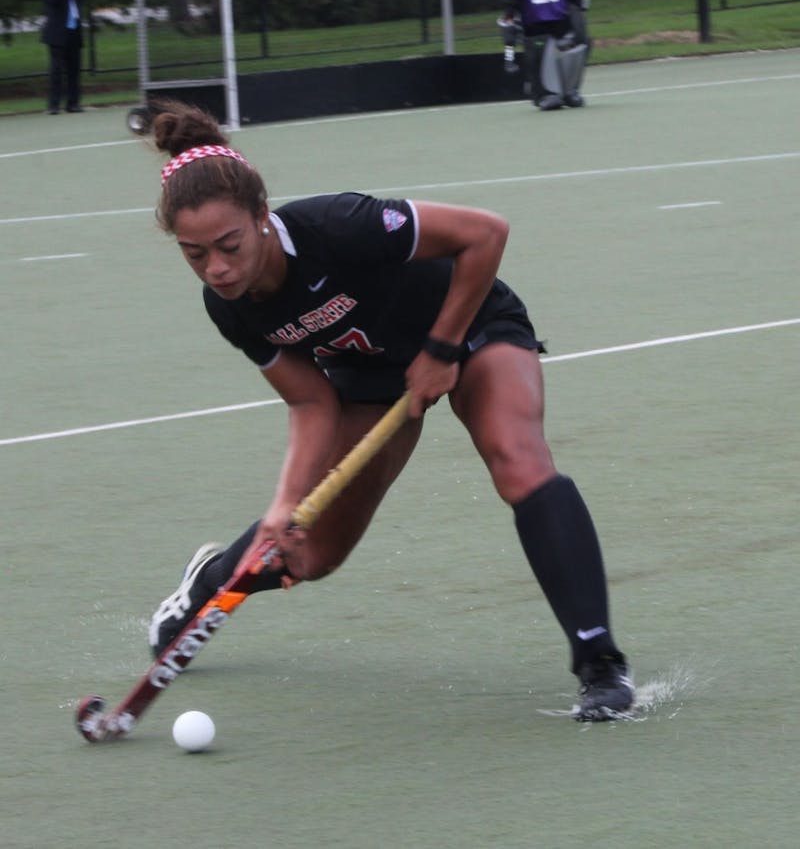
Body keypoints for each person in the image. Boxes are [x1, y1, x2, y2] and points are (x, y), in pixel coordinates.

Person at [146, 100, 634, 721]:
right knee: (311, 555)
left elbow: (486, 233)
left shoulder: (338, 225)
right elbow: (311, 401)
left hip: (471, 325)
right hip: (371, 374)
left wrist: (441, 347)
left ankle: (600, 664)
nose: (216, 268)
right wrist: (283, 505)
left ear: (262, 218)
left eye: (229, 245)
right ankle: (209, 581)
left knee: (519, 460)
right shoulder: (230, 307)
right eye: (194, 254)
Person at [502, 0, 590, 111]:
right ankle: (543, 93)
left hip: (559, 15)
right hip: (534, 20)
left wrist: (577, 10)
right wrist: (510, 15)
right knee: (540, 48)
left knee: (580, 42)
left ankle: (569, 89)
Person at [40, 0, 84, 114]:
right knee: (56, 71)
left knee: (74, 70)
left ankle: (73, 103)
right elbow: (51, 0)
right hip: (57, 33)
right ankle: (53, 105)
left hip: (74, 30)